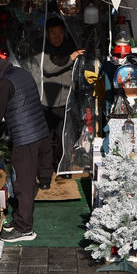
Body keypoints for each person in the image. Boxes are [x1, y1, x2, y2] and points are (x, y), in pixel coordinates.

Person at [0, 53, 50, 242]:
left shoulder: (4, 83)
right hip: (40, 132)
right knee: (28, 183)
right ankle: (19, 220)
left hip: (25, 139)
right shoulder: (21, 73)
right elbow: (22, 104)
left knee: (22, 185)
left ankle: (25, 229)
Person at [40, 17, 84, 182]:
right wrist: (71, 57)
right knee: (45, 140)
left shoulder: (70, 46)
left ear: (64, 33)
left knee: (64, 138)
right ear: (47, 34)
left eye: (59, 33)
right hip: (46, 102)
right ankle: (45, 173)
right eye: (53, 33)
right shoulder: (43, 50)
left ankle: (63, 168)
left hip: (65, 102)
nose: (57, 37)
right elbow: (49, 68)